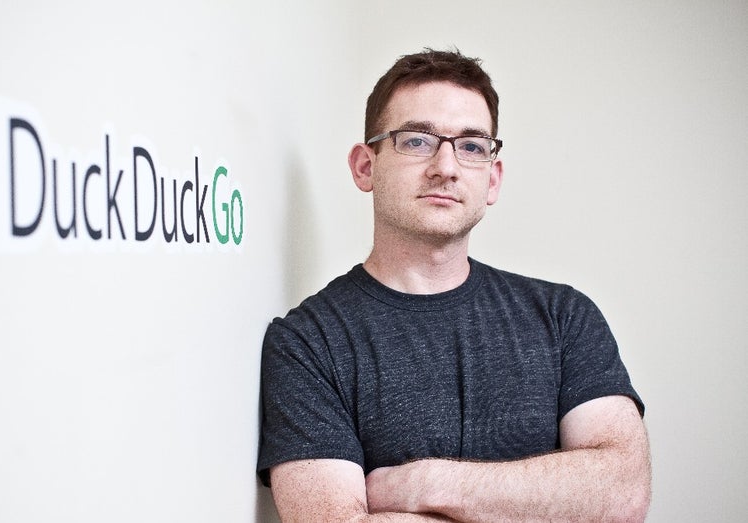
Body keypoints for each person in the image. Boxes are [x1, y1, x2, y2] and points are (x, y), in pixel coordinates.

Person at [256, 48, 651, 522]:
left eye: (471, 146)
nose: (446, 166)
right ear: (365, 166)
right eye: (417, 140)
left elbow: (622, 495)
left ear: (492, 179)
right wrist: (547, 503)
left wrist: (421, 485)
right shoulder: (307, 343)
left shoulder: (564, 317)